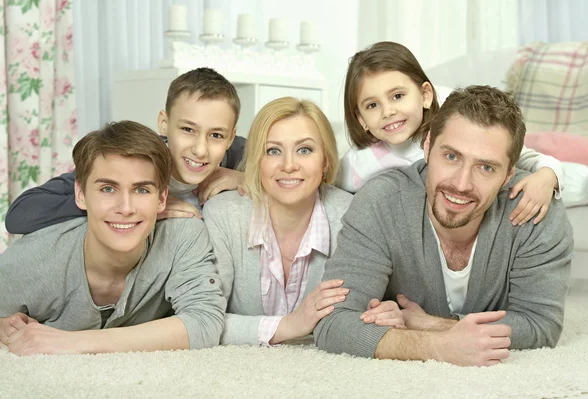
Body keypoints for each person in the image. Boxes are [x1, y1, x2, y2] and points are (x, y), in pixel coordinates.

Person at [314, 86, 574, 367]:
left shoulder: (534, 209)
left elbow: (541, 325)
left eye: (486, 167)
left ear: (509, 174)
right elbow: (333, 322)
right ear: (427, 147)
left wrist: (431, 325)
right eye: (451, 157)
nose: (461, 184)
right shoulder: (381, 201)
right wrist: (438, 347)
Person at [0, 121, 225, 355]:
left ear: (162, 198)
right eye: (108, 189)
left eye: (141, 190)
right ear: (80, 195)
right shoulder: (39, 256)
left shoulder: (183, 235)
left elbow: (205, 321)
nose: (125, 208)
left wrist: (72, 342)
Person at [202, 97, 371, 346]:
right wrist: (290, 325)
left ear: (325, 160)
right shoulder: (223, 215)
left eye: (305, 150)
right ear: (257, 161)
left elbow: (359, 315)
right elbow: (202, 321)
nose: (289, 165)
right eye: (273, 151)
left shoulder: (353, 216)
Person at [337, 41, 564, 226]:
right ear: (361, 120)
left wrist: (548, 175)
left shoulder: (453, 115)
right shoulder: (357, 164)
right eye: (372, 105)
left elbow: (516, 154)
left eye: (397, 96)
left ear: (425, 95)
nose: (388, 111)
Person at [5, 67, 245, 233]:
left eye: (216, 135)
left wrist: (248, 179)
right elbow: (20, 215)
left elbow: (281, 174)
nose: (201, 150)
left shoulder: (239, 155)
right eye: (188, 129)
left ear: (230, 136)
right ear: (164, 123)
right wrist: (143, 206)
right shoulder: (130, 161)